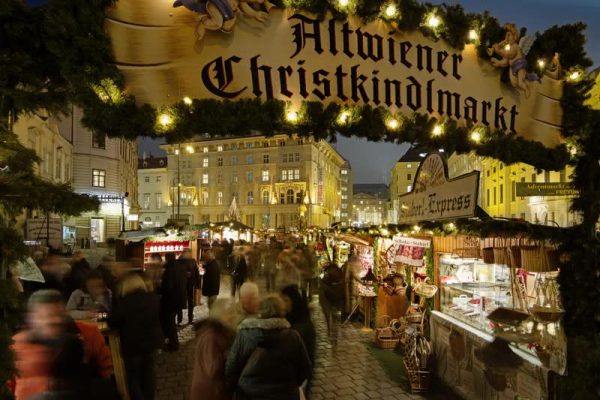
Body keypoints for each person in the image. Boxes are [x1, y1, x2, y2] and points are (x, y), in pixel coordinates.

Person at [11, 290, 114, 400]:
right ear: (32, 318)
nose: (54, 320)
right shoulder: (17, 345)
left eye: (57, 315)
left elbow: (105, 370)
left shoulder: (88, 334)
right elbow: (8, 385)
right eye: (46, 316)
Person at [225, 295, 311, 400]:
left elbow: (231, 368)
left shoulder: (244, 335)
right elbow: (305, 368)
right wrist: (290, 385)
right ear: (282, 311)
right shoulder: (293, 337)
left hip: (249, 395)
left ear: (260, 311)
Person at [108, 273, 163, 400]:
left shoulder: (124, 302)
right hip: (151, 342)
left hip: (133, 344)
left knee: (133, 376)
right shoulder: (152, 298)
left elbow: (113, 320)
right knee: (149, 374)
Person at [281, 284, 316, 398]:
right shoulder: (289, 320)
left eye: (286, 300)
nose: (283, 304)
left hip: (297, 380)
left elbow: (307, 359)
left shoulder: (302, 326)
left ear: (294, 301)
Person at [190, 317, 235, 400]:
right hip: (209, 391)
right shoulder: (211, 336)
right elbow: (212, 368)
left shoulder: (212, 333)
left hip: (209, 388)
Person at [160, 252, 187, 351]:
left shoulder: (170, 270)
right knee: (170, 322)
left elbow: (168, 287)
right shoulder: (180, 267)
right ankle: (171, 342)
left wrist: (159, 287)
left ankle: (173, 344)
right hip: (179, 299)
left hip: (171, 301)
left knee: (169, 323)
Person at [319, 262, 345, 344]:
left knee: (329, 316)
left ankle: (331, 333)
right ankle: (334, 337)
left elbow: (323, 286)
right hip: (335, 298)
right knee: (335, 318)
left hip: (329, 298)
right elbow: (342, 288)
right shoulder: (339, 274)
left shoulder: (328, 274)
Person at [176, 248, 200, 325]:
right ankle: (180, 319)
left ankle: (190, 318)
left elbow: (196, 273)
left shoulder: (192, 261)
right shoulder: (179, 261)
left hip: (190, 284)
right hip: (182, 284)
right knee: (180, 301)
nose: (188, 254)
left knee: (190, 302)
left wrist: (198, 284)